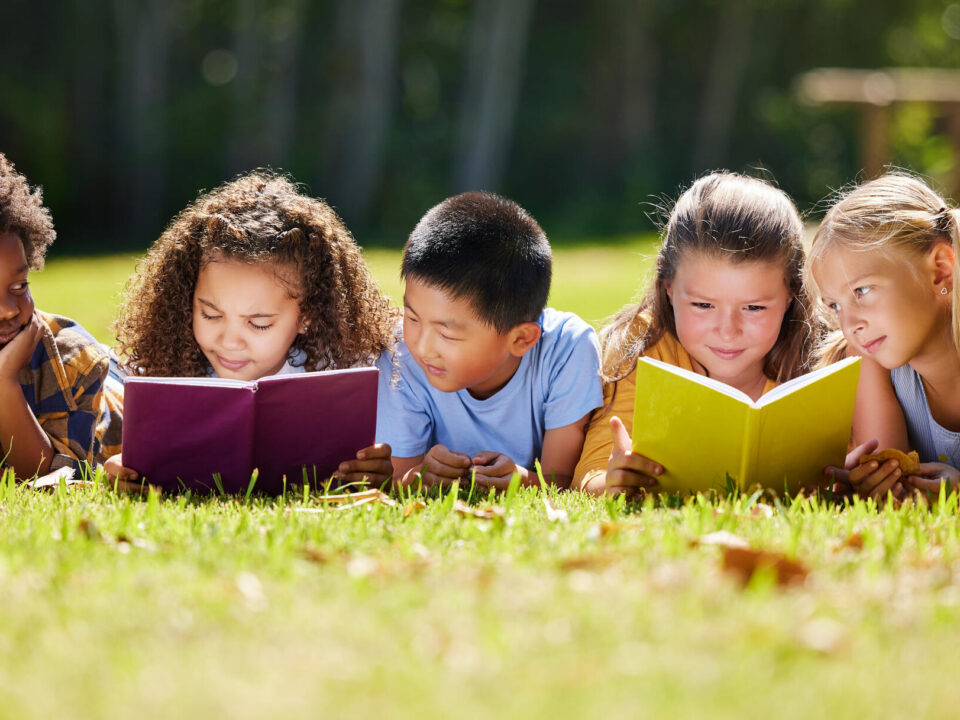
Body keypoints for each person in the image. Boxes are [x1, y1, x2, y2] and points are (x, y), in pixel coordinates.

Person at [106, 171, 397, 486]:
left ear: (308, 314)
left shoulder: (343, 371)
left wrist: (374, 470)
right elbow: (128, 458)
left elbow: (375, 466)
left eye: (259, 324)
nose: (230, 341)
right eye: (210, 315)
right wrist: (124, 468)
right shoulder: (161, 368)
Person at [573, 171, 817, 495]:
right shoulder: (642, 347)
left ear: (791, 295)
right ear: (669, 287)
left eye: (754, 308)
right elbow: (592, 471)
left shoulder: (818, 353)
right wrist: (614, 480)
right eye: (703, 305)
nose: (728, 332)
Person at [375, 191, 603, 489]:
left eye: (447, 332)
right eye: (412, 317)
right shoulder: (399, 353)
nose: (422, 346)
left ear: (521, 339)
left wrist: (524, 481)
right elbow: (396, 478)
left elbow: (560, 482)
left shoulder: (567, 349)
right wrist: (420, 477)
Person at [810, 173, 960, 501]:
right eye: (835, 305)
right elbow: (896, 482)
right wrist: (878, 484)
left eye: (862, 291)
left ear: (941, 270)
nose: (849, 324)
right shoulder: (869, 356)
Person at [0, 152, 121, 478]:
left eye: (19, 286)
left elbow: (50, 474)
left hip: (119, 388)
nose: (9, 309)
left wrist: (4, 382)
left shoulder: (75, 361)